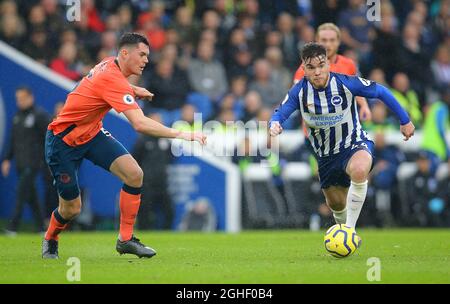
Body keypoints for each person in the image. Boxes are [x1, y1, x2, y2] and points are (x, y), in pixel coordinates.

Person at [42, 33, 206, 259]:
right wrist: (182, 133)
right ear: (125, 53)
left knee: (134, 174)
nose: (146, 60)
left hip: (91, 133)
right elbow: (139, 123)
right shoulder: (112, 78)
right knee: (71, 209)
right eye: (142, 54)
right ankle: (50, 239)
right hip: (63, 141)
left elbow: (101, 85)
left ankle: (125, 239)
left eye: (147, 55)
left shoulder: (109, 65)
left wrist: (133, 89)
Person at [269, 43, 415, 236]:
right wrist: (275, 123)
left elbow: (380, 91)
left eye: (321, 65)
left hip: (353, 143)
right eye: (311, 68)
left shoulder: (346, 83)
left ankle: (349, 231)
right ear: (304, 69)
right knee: (336, 204)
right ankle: (343, 226)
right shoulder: (299, 92)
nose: (317, 72)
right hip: (326, 156)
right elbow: (281, 111)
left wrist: (405, 120)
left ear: (328, 64)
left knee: (360, 169)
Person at [293, 23, 372, 122]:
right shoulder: (307, 67)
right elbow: (295, 94)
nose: (328, 44)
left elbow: (357, 88)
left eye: (332, 40)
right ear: (317, 42)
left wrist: (364, 106)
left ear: (338, 42)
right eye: (324, 40)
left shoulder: (349, 64)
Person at [1, 86, 50, 235]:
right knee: (31, 196)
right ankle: (42, 228)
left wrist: (47, 158)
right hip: (20, 163)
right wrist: (7, 159)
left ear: (30, 98)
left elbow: (49, 137)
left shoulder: (39, 115)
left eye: (22, 98)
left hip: (34, 162)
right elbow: (12, 140)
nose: (19, 101)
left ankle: (12, 227)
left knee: (21, 193)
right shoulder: (17, 117)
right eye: (17, 99)